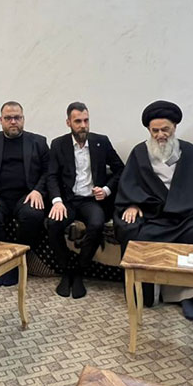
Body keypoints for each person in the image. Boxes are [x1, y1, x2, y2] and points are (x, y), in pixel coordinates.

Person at [114, 100, 193, 320]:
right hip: (154, 214)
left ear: (175, 127)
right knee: (134, 231)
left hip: (188, 214)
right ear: (149, 130)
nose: (160, 135)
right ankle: (148, 293)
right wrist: (132, 203)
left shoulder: (189, 151)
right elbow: (130, 183)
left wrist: (185, 205)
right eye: (155, 131)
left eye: (165, 129)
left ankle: (190, 296)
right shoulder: (140, 152)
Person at [46, 102, 124, 298]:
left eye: (86, 120)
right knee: (53, 224)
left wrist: (106, 190)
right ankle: (66, 270)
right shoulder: (58, 144)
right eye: (78, 121)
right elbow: (51, 176)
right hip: (68, 200)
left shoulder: (101, 142)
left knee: (97, 224)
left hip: (91, 201)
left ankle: (80, 270)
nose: (83, 125)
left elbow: (120, 170)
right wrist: (57, 201)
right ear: (68, 123)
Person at [0, 101, 49, 286]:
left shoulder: (39, 142)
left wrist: (38, 191)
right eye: (8, 118)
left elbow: (48, 171)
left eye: (17, 117)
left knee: (33, 214)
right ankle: (1, 262)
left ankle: (17, 263)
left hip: (27, 195)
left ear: (23, 119)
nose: (13, 121)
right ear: (1, 120)